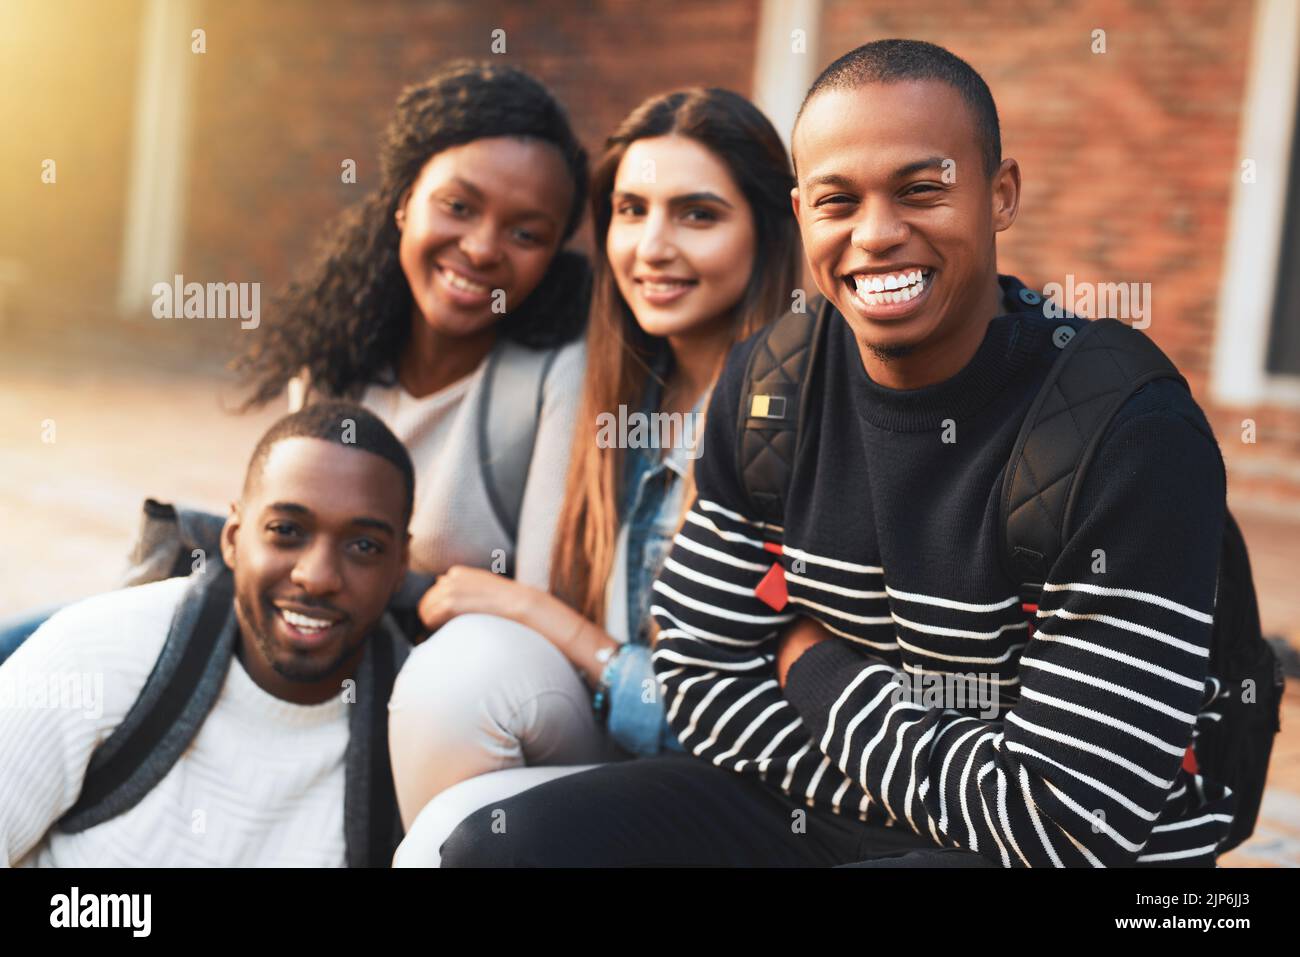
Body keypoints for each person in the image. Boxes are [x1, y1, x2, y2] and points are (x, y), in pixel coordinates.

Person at [438, 39, 1233, 868]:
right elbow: (700, 680)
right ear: (803, 211)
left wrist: (810, 666)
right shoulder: (769, 384)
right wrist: (899, 770)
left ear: (1001, 195)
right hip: (811, 811)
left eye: (923, 190)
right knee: (504, 848)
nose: (878, 234)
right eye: (838, 200)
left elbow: (1065, 821)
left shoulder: (1123, 431)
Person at [0, 60, 591, 663]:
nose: (482, 247)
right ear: (406, 201)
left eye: (525, 234)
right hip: (293, 639)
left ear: (552, 254)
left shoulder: (556, 376)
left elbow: (537, 610)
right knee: (33, 645)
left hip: (426, 680)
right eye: (458, 207)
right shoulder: (344, 341)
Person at [386, 87, 802, 865]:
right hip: (611, 748)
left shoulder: (798, 418)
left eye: (698, 215)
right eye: (631, 209)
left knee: (440, 845)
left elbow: (754, 724)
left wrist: (546, 617)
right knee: (461, 676)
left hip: (741, 793)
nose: (652, 247)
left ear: (768, 234)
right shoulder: (613, 395)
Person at [0, 402, 415, 866]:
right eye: (286, 530)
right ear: (234, 537)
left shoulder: (420, 735)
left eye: (364, 546)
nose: (317, 576)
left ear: (400, 565)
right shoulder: (105, 649)